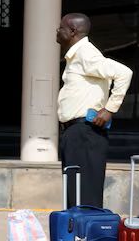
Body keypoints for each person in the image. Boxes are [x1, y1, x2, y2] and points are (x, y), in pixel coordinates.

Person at [56, 12, 133, 208]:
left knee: (84, 195)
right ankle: (77, 236)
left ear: (73, 31)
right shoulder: (77, 54)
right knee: (76, 193)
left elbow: (124, 73)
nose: (57, 31)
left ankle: (86, 237)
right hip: (76, 133)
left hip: (85, 132)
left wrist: (109, 109)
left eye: (61, 28)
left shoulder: (86, 53)